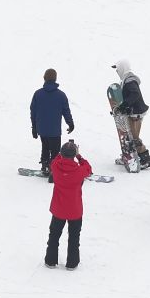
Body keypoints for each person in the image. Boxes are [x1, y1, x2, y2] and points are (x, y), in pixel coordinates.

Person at [45, 140, 92, 269]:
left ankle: (50, 260)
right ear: (73, 154)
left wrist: (61, 153)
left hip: (58, 208)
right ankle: (72, 263)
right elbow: (88, 168)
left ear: (61, 153)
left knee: (54, 235)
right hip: (75, 210)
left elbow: (55, 159)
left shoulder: (55, 166)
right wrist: (79, 156)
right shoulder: (79, 171)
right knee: (74, 238)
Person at [29, 68, 75, 180]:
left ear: (44, 78)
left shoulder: (38, 94)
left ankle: (45, 165)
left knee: (45, 147)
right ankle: (53, 170)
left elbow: (33, 112)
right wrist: (70, 123)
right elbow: (66, 111)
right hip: (54, 130)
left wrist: (34, 128)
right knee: (55, 151)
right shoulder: (61, 95)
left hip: (42, 129)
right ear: (55, 79)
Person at [112, 59, 150, 168]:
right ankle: (128, 157)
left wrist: (124, 105)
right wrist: (121, 108)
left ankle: (146, 160)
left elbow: (135, 94)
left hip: (135, 115)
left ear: (123, 67)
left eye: (117, 68)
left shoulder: (129, 80)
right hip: (135, 113)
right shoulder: (128, 79)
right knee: (131, 138)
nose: (117, 71)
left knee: (133, 138)